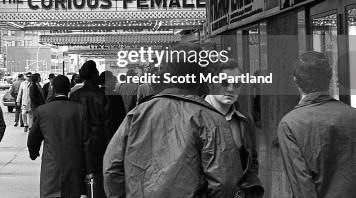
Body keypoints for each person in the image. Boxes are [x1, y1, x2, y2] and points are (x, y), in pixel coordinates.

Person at [103, 43, 241, 198]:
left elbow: (111, 169)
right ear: (202, 78)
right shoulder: (212, 120)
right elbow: (225, 182)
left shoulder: (137, 115)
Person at [278, 51, 356, 197]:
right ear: (330, 79)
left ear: (295, 80)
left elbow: (302, 188)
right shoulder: (353, 115)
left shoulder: (289, 124)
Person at [28, 75, 93, 198]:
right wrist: (89, 169)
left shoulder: (42, 111)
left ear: (52, 88)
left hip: (51, 165)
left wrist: (33, 153)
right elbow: (87, 142)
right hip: (74, 165)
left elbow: (33, 138)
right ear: (69, 88)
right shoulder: (80, 109)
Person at [205, 60, 264, 198]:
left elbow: (251, 160)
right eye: (224, 83)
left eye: (236, 84)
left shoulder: (244, 120)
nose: (231, 89)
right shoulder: (196, 116)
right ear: (212, 83)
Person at [70, 60, 108, 198]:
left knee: (82, 170)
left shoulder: (75, 95)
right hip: (99, 140)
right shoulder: (103, 95)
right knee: (98, 173)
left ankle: (84, 193)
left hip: (80, 140)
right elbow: (107, 123)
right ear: (95, 74)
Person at [99, 71, 126, 143]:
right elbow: (121, 116)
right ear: (108, 81)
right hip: (113, 132)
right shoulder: (115, 96)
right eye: (113, 80)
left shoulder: (96, 94)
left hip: (98, 135)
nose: (115, 82)